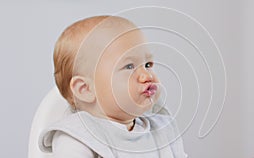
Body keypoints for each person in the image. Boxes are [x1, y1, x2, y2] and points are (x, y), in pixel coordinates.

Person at [39, 15, 187, 158]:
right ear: (85, 89)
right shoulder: (77, 136)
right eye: (129, 66)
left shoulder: (163, 129)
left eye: (148, 65)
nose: (147, 76)